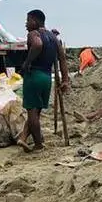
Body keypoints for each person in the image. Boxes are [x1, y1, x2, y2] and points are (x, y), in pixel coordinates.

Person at [16, 9, 69, 152]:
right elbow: (62, 59)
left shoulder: (34, 34)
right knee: (36, 110)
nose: (26, 24)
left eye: (28, 20)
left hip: (34, 75)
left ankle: (38, 144)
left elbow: (38, 44)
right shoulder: (54, 37)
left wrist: (27, 63)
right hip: (47, 77)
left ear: (35, 21)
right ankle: (23, 137)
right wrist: (65, 80)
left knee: (31, 111)